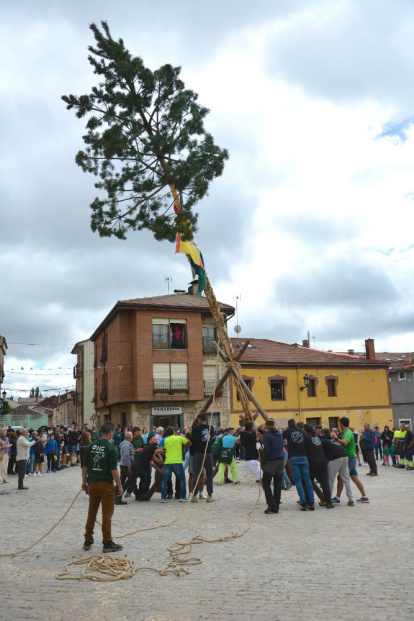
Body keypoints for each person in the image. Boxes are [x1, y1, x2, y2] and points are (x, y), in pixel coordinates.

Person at [82, 421, 124, 553]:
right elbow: (114, 470)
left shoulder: (91, 446)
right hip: (106, 484)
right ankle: (107, 542)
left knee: (91, 513)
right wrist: (120, 485)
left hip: (93, 483)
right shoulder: (111, 448)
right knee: (107, 515)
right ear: (111, 432)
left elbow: (85, 466)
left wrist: (84, 481)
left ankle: (87, 540)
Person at [332, 417, 369, 504]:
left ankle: (337, 497)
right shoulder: (346, 432)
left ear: (341, 424)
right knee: (354, 477)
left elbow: (345, 443)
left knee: (340, 477)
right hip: (351, 457)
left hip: (350, 458)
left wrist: (335, 438)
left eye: (339, 423)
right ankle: (364, 497)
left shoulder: (348, 433)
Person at [283, 419, 315, 511]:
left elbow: (281, 438)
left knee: (298, 481)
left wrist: (287, 446)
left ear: (289, 425)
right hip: (304, 457)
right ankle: (311, 502)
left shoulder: (288, 431)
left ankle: (303, 503)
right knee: (307, 480)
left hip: (294, 458)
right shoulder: (302, 432)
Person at [303, 424, 334, 509]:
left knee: (309, 481)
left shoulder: (306, 437)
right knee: (324, 482)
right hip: (323, 460)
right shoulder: (317, 437)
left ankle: (309, 501)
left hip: (313, 461)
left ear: (305, 430)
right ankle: (329, 502)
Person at [160, 427, 190, 502]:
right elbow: (189, 443)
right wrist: (185, 437)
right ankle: (182, 496)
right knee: (182, 479)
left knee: (165, 480)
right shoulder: (179, 438)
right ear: (174, 432)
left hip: (168, 461)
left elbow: (163, 450)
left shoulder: (166, 440)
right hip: (177, 461)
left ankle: (163, 497)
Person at [261, 418, 284, 514]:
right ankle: (276, 505)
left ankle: (271, 504)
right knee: (277, 485)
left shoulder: (267, 435)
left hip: (272, 460)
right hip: (280, 460)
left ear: (266, 426)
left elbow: (267, 450)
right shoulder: (279, 433)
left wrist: (263, 455)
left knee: (266, 483)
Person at [191, 413, 214, 503]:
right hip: (208, 452)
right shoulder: (211, 428)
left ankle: (194, 496)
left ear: (199, 419)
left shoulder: (195, 428)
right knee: (209, 474)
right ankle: (209, 495)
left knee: (196, 474)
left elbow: (193, 438)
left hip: (198, 453)